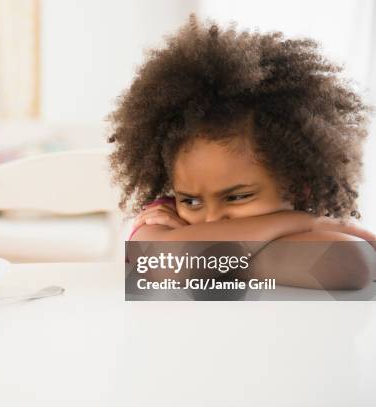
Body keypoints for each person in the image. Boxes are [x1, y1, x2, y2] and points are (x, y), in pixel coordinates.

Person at [109, 15, 375, 289]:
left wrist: (211, 259)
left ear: (300, 187)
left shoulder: (180, 232)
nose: (211, 219)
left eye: (236, 197)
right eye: (190, 201)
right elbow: (169, 264)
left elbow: (348, 262)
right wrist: (300, 222)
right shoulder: (161, 217)